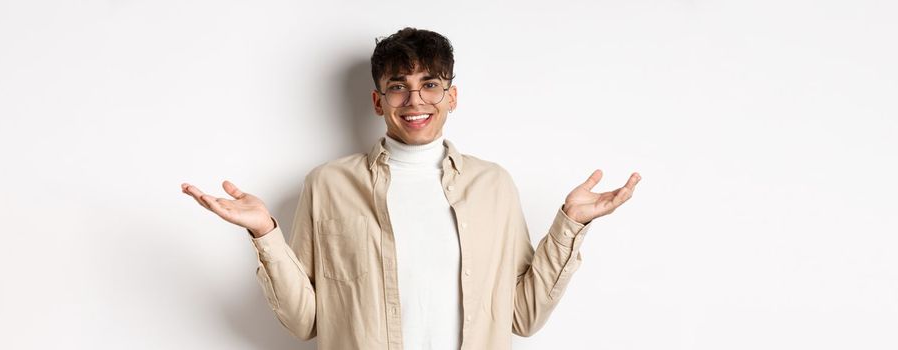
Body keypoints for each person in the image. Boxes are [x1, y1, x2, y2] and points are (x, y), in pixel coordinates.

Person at [181, 27, 641, 350]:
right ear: (378, 100)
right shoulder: (329, 185)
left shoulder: (493, 185)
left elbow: (522, 316)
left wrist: (570, 226)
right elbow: (304, 323)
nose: (415, 100)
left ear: (451, 97)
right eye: (398, 87)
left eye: (430, 85)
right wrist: (265, 232)